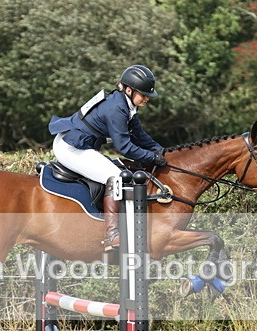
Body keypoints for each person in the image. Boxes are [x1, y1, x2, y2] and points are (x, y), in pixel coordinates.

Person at [48, 64, 167, 251]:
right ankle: (112, 234)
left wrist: (161, 151)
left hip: (79, 143)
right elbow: (124, 146)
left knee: (121, 169)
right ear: (129, 90)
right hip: (69, 147)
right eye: (143, 94)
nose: (146, 99)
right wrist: (151, 158)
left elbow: (140, 135)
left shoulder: (125, 104)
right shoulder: (116, 108)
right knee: (117, 176)